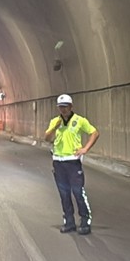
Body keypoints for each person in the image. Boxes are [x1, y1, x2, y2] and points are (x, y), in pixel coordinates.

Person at [44, 94, 99, 235]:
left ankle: (85, 220)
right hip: (58, 161)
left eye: (65, 107)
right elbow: (47, 138)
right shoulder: (55, 121)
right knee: (64, 193)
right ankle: (69, 222)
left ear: (71, 106)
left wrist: (85, 149)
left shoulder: (79, 120)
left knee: (78, 191)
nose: (63, 110)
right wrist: (54, 128)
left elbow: (94, 133)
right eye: (61, 107)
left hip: (73, 162)